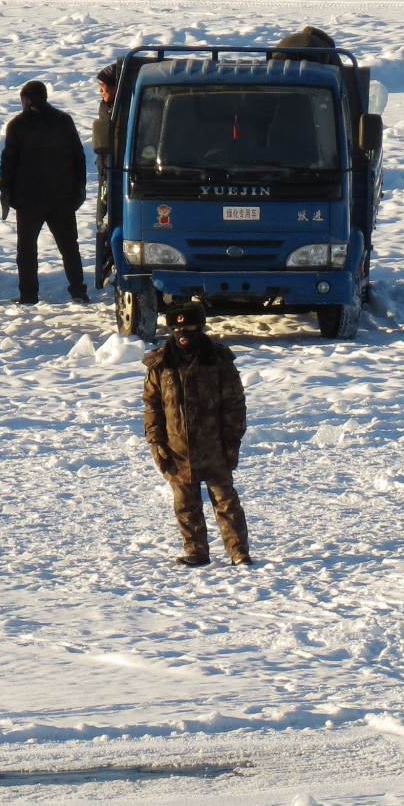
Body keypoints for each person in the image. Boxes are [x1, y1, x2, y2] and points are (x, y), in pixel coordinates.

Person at [142, 306, 250, 567]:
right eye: (177, 330)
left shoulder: (218, 360)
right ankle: (196, 551)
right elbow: (152, 406)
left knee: (226, 502)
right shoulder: (160, 363)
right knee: (185, 504)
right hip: (177, 446)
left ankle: (238, 552)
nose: (183, 335)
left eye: (189, 329)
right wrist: (156, 442)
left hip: (214, 445)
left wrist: (232, 440)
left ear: (200, 328)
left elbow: (234, 405)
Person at [0, 79, 87, 305]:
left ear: (26, 100)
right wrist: (79, 188)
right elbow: (79, 157)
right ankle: (78, 291)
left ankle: (28, 295)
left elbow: (9, 161)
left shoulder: (18, 124)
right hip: (62, 196)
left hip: (29, 199)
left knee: (26, 250)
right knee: (69, 248)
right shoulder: (64, 121)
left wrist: (5, 190)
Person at [92, 61, 118, 290]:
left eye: (103, 85)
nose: (101, 90)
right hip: (107, 173)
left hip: (119, 172)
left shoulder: (125, 108)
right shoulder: (107, 107)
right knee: (104, 221)